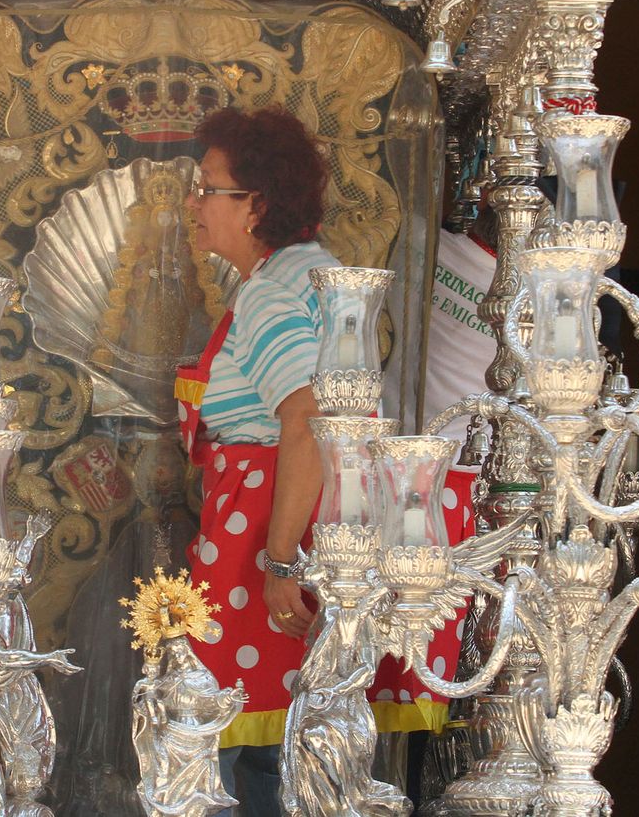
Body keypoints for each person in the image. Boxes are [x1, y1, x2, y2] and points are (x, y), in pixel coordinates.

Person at [176, 107, 432, 814]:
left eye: (207, 189)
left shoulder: (269, 293)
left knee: (258, 757)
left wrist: (280, 558)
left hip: (267, 542)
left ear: (255, 204)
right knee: (304, 746)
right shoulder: (312, 275)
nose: (194, 205)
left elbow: (307, 416)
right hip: (315, 533)